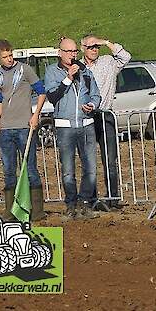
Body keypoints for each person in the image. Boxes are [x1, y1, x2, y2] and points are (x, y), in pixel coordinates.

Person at [44, 36, 102, 219]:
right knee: (68, 170)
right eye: (68, 51)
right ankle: (71, 205)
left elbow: (96, 95)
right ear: (60, 53)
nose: (72, 54)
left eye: (75, 51)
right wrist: (68, 78)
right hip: (65, 127)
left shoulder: (85, 71)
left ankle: (85, 203)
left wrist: (92, 105)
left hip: (86, 125)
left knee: (90, 168)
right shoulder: (52, 71)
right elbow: (53, 97)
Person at [0, 39, 47, 221]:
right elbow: (0, 100)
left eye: (11, 55)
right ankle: (11, 211)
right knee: (8, 171)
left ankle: (37, 211)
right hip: (6, 129)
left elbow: (41, 92)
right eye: (5, 57)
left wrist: (35, 115)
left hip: (24, 127)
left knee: (30, 168)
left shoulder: (25, 69)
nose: (9, 59)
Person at [80, 34, 131, 211]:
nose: (94, 49)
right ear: (83, 49)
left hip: (106, 114)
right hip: (86, 117)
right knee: (88, 161)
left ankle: (113, 198)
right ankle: (91, 199)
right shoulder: (77, 67)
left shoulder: (108, 62)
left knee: (110, 160)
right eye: (90, 47)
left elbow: (126, 57)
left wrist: (106, 42)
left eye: (96, 46)